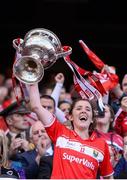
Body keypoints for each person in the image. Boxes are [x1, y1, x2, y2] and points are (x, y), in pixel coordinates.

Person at [28, 83, 114, 179]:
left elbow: (109, 177)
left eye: (88, 109)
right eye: (78, 108)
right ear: (71, 117)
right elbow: (36, 106)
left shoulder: (101, 144)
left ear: (92, 119)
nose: (83, 111)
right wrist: (33, 80)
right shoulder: (60, 132)